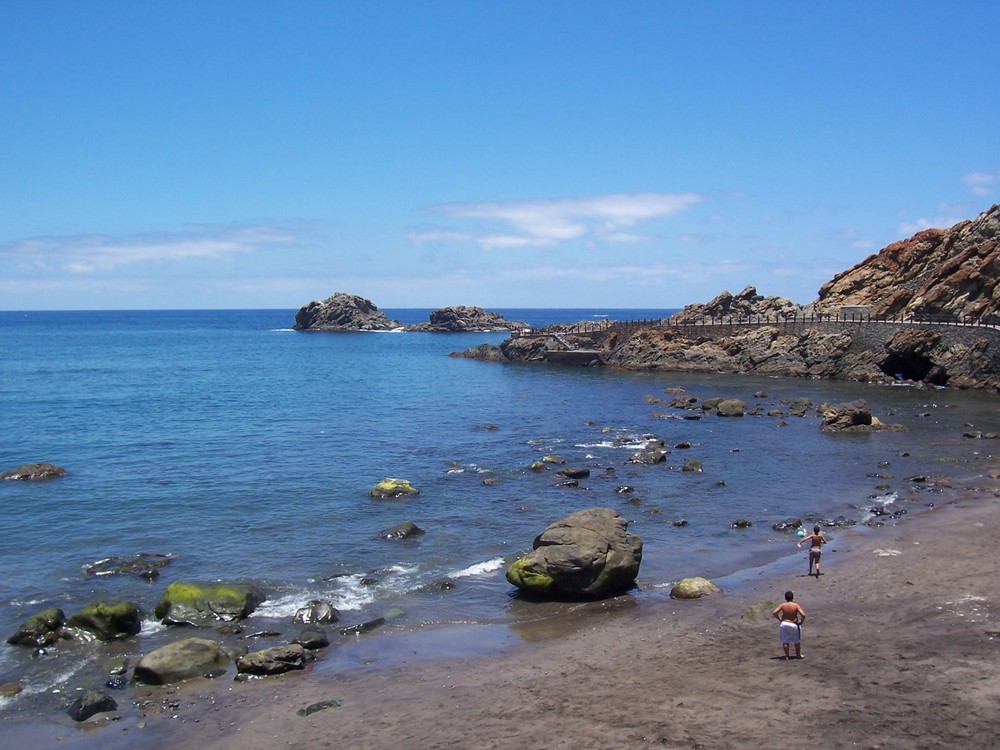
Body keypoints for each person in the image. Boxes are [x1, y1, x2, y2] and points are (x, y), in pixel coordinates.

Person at [772, 590, 806, 659]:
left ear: (785, 598)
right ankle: (798, 655)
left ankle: (787, 656)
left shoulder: (783, 605)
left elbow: (774, 612)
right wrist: (801, 622)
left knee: (785, 640)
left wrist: (779, 619)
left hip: (784, 623)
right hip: (793, 624)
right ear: (792, 598)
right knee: (796, 640)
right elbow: (803, 615)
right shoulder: (795, 605)